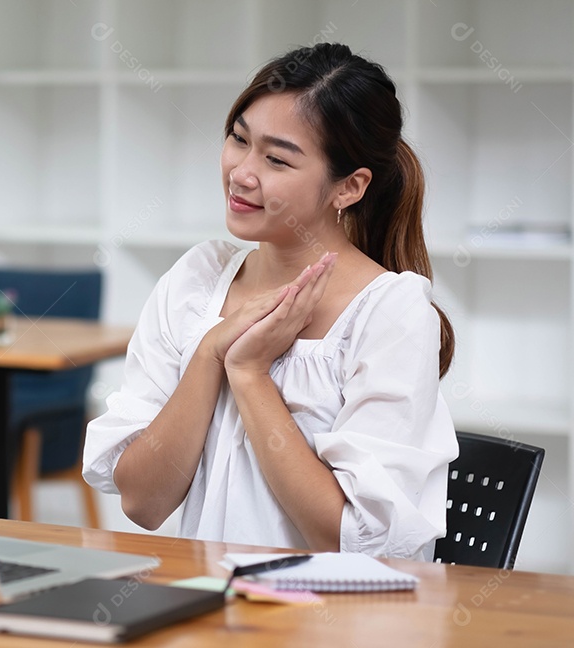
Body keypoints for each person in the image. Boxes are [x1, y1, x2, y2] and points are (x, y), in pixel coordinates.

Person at [83, 43, 458, 561]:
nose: (241, 172)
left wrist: (251, 375)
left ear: (348, 187)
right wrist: (211, 353)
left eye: (277, 159)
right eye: (238, 139)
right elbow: (143, 502)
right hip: (209, 609)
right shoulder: (195, 282)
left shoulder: (389, 311)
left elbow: (346, 538)